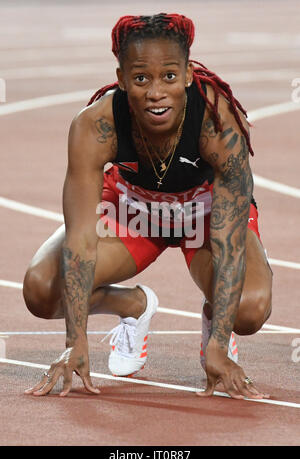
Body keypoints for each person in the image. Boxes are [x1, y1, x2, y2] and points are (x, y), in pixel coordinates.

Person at [23, 13, 272, 399]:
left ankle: (214, 316)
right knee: (41, 290)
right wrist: (76, 339)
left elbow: (228, 241)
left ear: (188, 74)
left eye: (169, 77)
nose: (156, 91)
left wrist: (219, 343)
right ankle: (133, 305)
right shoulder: (95, 125)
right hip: (133, 210)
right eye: (141, 79)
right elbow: (80, 241)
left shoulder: (218, 124)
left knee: (250, 310)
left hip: (204, 216)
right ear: (122, 80)